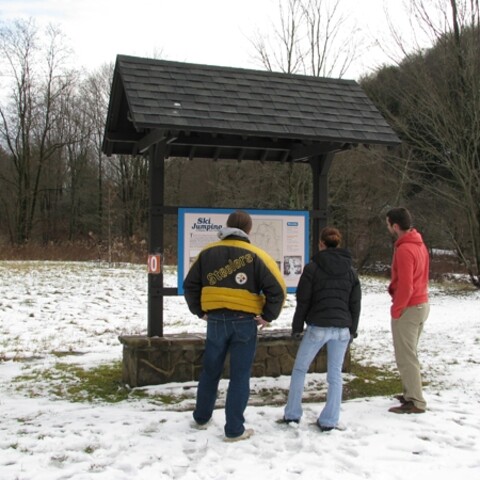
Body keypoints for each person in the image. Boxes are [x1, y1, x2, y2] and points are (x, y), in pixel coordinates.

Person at [183, 210, 287, 441]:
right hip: (244, 323)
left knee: (210, 370)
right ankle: (234, 430)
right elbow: (278, 289)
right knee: (239, 376)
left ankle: (201, 417)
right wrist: (267, 316)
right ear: (248, 230)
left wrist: (199, 311)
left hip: (216, 321)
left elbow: (190, 285)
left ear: (227, 226)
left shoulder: (207, 252)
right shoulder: (257, 255)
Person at [282, 227, 361, 431]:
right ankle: (330, 420)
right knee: (335, 375)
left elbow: (303, 300)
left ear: (321, 244)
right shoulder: (350, 271)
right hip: (342, 328)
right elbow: (355, 303)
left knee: (300, 369)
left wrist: (297, 327)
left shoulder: (312, 268)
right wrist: (353, 329)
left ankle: (292, 413)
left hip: (318, 326)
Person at [386, 207, 430, 414]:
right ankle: (410, 393)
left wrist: (397, 309)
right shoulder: (419, 244)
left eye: (388, 224)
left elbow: (406, 285)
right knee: (409, 353)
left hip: (410, 307)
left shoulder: (404, 249)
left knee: (406, 356)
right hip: (421, 304)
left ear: (395, 225)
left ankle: (415, 401)